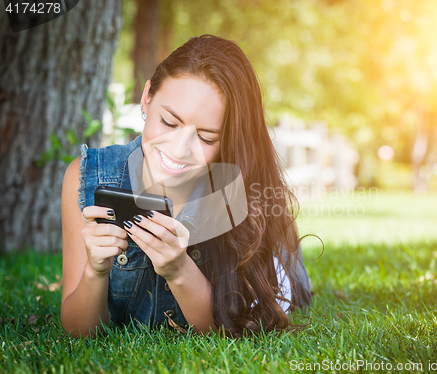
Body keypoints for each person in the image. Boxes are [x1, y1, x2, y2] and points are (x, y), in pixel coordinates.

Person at [60, 34, 313, 339]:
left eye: (206, 138)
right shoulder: (88, 177)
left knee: (289, 290)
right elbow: (77, 331)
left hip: (279, 272)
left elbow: (234, 330)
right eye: (169, 122)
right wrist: (95, 271)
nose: (179, 150)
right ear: (147, 97)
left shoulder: (240, 191)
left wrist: (179, 270)